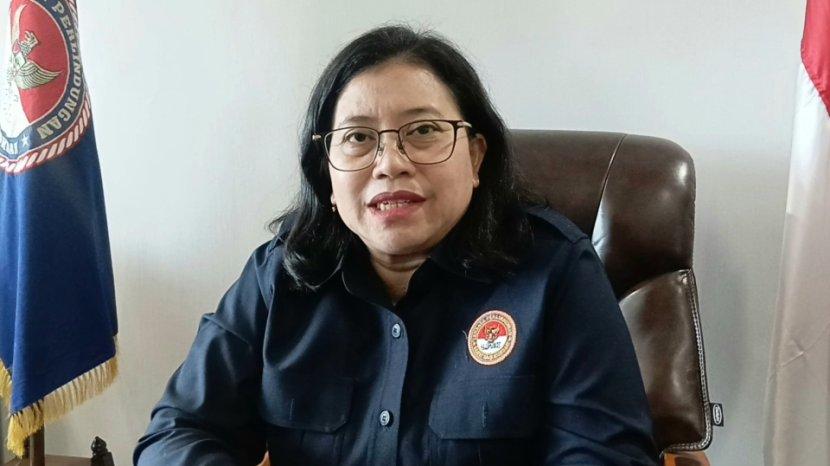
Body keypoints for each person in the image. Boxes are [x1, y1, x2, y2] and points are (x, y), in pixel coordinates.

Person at [133, 25, 659, 466]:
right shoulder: (282, 274)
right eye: (358, 138)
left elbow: (605, 456)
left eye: (423, 130)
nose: (390, 164)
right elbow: (176, 434)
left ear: (476, 156)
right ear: (327, 175)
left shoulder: (555, 273)